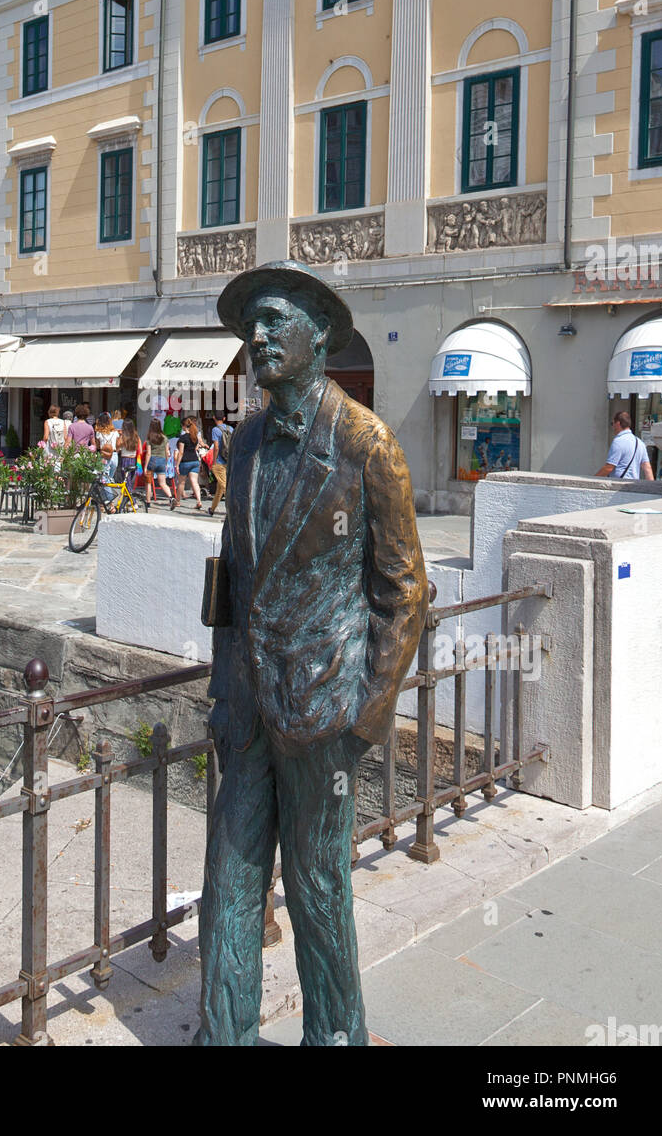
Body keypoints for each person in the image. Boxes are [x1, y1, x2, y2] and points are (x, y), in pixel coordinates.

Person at [195, 259, 428, 1047]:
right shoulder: (248, 439)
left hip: (324, 705)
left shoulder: (367, 444)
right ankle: (223, 1033)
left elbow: (403, 592)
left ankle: (335, 1036)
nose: (256, 338)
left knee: (318, 883)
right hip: (251, 702)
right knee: (228, 874)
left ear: (317, 333)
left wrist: (365, 715)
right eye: (249, 327)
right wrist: (226, 690)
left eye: (271, 322)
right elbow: (231, 573)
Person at [596, 411, 654, 481]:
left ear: (618, 423)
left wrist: (592, 479)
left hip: (619, 486)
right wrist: (651, 487)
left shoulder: (618, 441)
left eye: (612, 423)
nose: (613, 426)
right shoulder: (640, 443)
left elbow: (609, 467)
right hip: (634, 486)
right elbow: (647, 468)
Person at [172, 416, 203, 510]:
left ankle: (177, 501)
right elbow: (196, 448)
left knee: (181, 483)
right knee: (195, 482)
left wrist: (177, 464)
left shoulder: (183, 438)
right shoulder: (195, 437)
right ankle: (199, 501)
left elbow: (181, 452)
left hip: (185, 461)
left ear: (183, 426)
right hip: (195, 461)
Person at [208, 414, 233, 516]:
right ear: (224, 418)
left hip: (219, 461)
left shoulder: (215, 430)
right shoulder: (230, 428)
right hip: (228, 460)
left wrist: (214, 461)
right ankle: (212, 509)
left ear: (214, 418)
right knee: (220, 488)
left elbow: (216, 447)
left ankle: (232, 511)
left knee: (225, 487)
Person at [144, 417, 171, 504]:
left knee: (148, 483)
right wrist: (166, 463)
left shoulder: (149, 438)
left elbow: (148, 453)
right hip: (162, 460)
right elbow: (167, 452)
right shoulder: (165, 438)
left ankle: (148, 502)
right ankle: (171, 498)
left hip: (152, 460)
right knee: (163, 483)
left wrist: (145, 467)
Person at [94, 412, 119, 490]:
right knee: (110, 478)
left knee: (105, 479)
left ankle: (108, 500)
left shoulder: (99, 433)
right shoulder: (115, 432)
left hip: (103, 456)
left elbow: (97, 446)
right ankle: (108, 499)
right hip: (114, 455)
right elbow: (117, 445)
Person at [117, 418, 140, 488]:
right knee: (129, 479)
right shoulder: (136, 436)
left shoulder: (123, 437)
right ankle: (128, 495)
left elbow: (117, 446)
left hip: (125, 459)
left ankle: (128, 495)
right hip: (133, 459)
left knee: (126, 479)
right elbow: (139, 448)